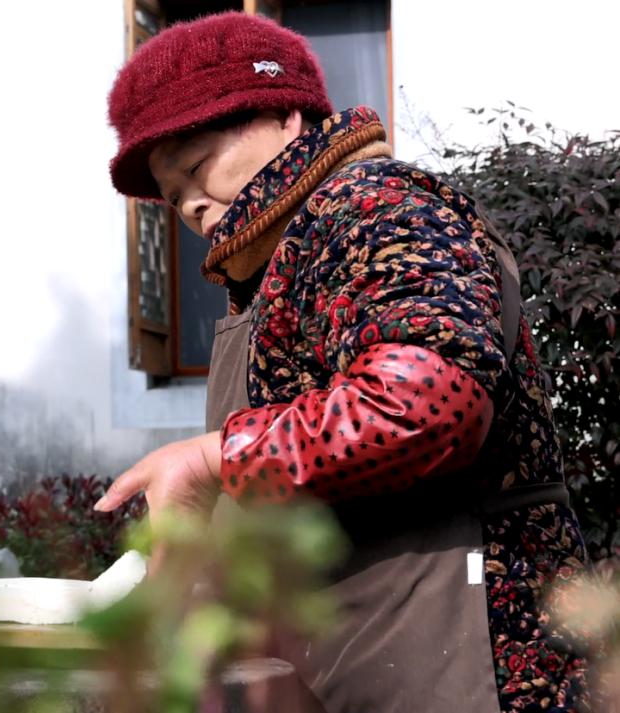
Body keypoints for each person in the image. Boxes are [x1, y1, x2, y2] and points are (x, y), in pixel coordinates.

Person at [95, 12, 592, 712]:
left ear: (286, 115)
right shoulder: (274, 265)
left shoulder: (375, 207)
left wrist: (216, 458)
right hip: (360, 667)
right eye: (173, 195)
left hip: (476, 659)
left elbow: (428, 400)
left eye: (198, 166)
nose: (193, 205)